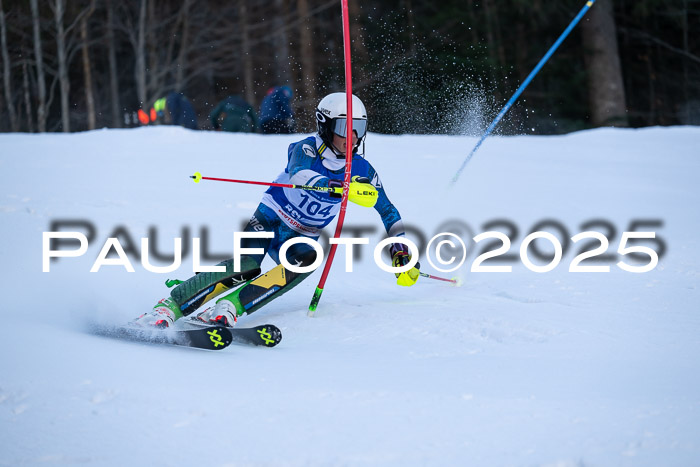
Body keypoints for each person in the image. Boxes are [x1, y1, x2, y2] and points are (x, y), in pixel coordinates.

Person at [134, 92, 420, 328]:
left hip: (301, 236)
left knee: (309, 259)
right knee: (247, 266)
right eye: (344, 128)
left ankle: (229, 307)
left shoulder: (363, 169)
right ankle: (167, 308)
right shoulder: (306, 148)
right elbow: (299, 174)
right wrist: (336, 186)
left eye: (359, 128)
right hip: (269, 219)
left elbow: (388, 211)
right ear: (324, 125)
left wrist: (401, 250)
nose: (352, 137)